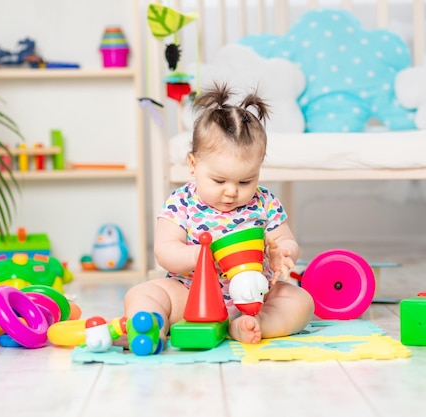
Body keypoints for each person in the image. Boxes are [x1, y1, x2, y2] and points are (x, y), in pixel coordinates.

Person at [123, 83, 314, 345]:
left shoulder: (265, 201)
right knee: (146, 292)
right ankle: (150, 324)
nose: (231, 192)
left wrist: (284, 252)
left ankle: (254, 324)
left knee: (300, 301)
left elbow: (285, 239)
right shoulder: (182, 201)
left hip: (256, 297)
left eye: (245, 181)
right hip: (192, 296)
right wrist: (197, 255)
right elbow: (164, 251)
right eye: (219, 181)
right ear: (193, 164)